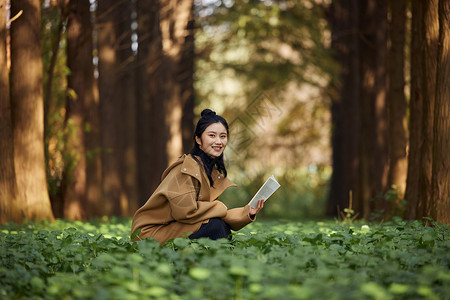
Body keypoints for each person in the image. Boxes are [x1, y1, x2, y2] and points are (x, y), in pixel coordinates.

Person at [130, 109, 264, 244]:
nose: (218, 141)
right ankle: (227, 261)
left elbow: (212, 214)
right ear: (198, 139)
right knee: (215, 226)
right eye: (212, 135)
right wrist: (218, 206)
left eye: (223, 136)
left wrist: (248, 212)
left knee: (216, 224)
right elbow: (185, 213)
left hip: (174, 227)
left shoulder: (208, 171)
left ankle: (225, 260)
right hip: (149, 235)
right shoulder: (186, 169)